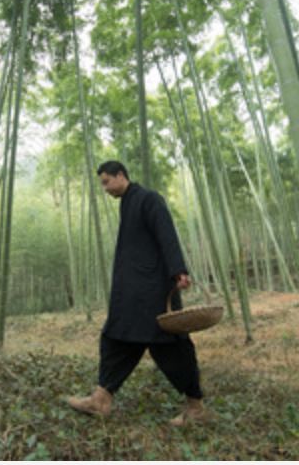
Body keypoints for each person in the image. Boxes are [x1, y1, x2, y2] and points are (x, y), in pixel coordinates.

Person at [66, 160, 208, 426]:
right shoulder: (127, 202)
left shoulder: (148, 199)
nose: (105, 188)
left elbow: (166, 233)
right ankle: (101, 398)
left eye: (107, 181)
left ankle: (196, 406)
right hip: (131, 291)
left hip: (152, 290)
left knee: (169, 345)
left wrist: (179, 270)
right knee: (118, 337)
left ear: (121, 175)